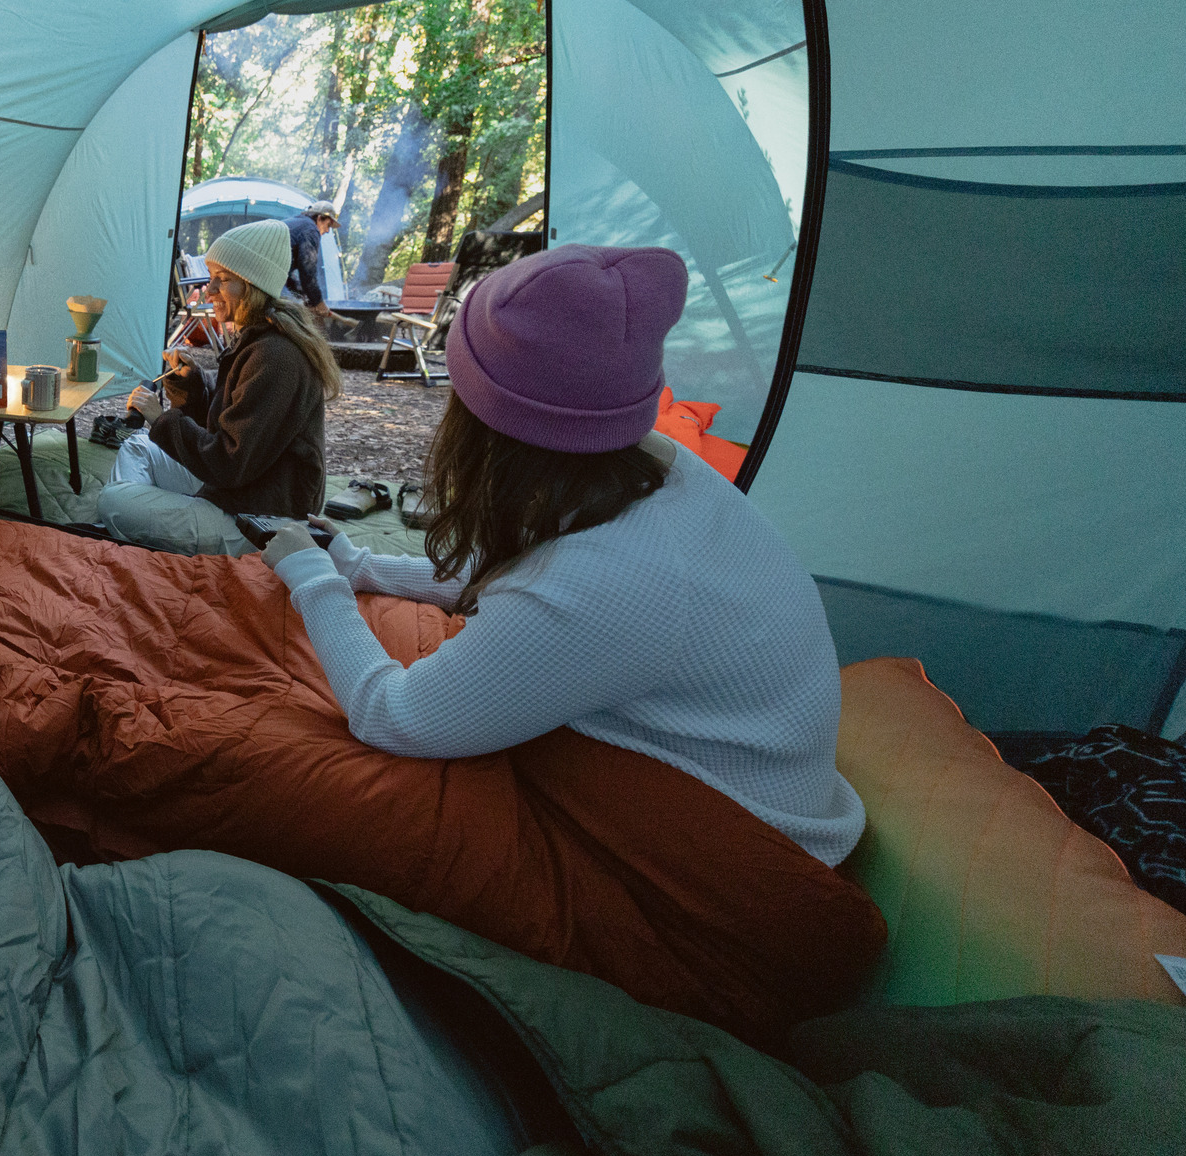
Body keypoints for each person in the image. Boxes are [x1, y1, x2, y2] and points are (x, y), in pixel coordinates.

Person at [254, 243, 866, 869]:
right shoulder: (655, 469)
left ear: (485, 422)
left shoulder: (608, 578)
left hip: (732, 854)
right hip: (756, 784)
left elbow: (392, 717)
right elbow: (530, 574)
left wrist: (309, 575)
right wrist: (358, 565)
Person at [95, 219, 341, 555]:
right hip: (245, 486)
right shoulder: (259, 337)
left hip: (264, 517)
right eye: (212, 280)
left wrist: (161, 418)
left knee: (113, 501)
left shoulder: (276, 355)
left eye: (222, 281)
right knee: (138, 447)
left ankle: (140, 525)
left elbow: (229, 462)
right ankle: (146, 525)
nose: (209, 292)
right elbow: (234, 416)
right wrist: (193, 385)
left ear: (252, 287)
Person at [281, 205, 339, 316]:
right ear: (319, 218)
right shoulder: (311, 230)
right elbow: (307, 270)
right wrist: (318, 302)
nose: (327, 231)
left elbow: (284, 274)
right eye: (328, 225)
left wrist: (301, 293)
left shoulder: (299, 223)